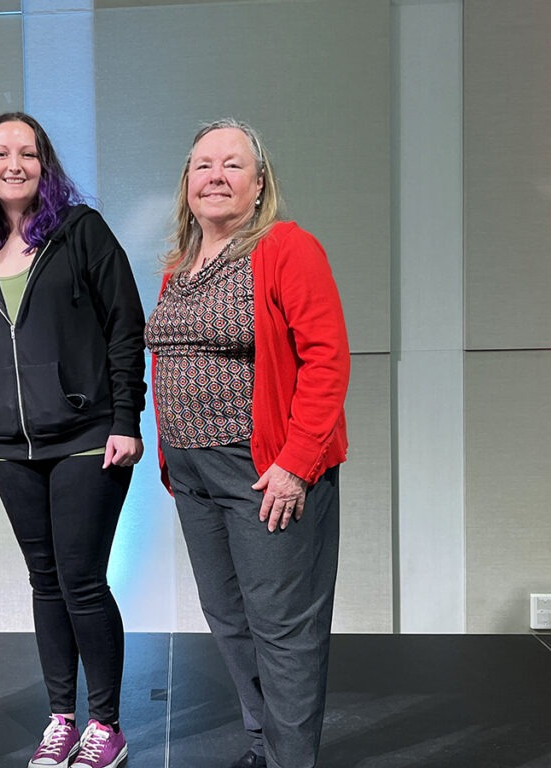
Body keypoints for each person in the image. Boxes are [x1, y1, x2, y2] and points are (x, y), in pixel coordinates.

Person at [144, 119, 350, 768]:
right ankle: (264, 746)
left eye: (233, 165)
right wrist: (172, 461)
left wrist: (296, 464)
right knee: (229, 621)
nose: (216, 176)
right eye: (203, 165)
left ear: (259, 186)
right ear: (187, 184)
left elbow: (327, 358)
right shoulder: (178, 267)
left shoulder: (287, 249)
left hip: (264, 471)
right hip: (194, 475)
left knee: (282, 631)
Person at [0, 112, 145, 768]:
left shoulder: (80, 232)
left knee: (82, 579)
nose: (15, 164)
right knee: (46, 582)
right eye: (1, 153)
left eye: (28, 153)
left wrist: (127, 418)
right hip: (10, 445)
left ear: (45, 164)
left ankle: (109, 725)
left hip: (88, 437)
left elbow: (125, 323)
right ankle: (62, 718)